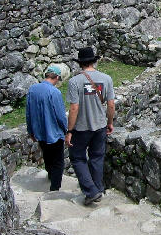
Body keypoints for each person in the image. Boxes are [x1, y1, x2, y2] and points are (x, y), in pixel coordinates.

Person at [65, 47, 115, 206]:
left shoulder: (74, 82)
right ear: (94, 61)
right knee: (97, 157)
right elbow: (111, 104)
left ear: (80, 64)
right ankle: (98, 188)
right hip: (100, 125)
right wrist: (110, 122)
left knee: (77, 157)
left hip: (81, 127)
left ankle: (91, 191)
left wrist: (69, 130)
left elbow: (74, 108)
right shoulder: (106, 79)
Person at [26, 65, 68, 191]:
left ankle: (50, 175)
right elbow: (60, 115)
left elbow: (28, 113)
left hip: (39, 131)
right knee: (58, 161)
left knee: (47, 156)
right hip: (54, 133)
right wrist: (66, 130)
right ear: (57, 77)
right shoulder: (54, 92)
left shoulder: (32, 90)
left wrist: (30, 131)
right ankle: (55, 188)